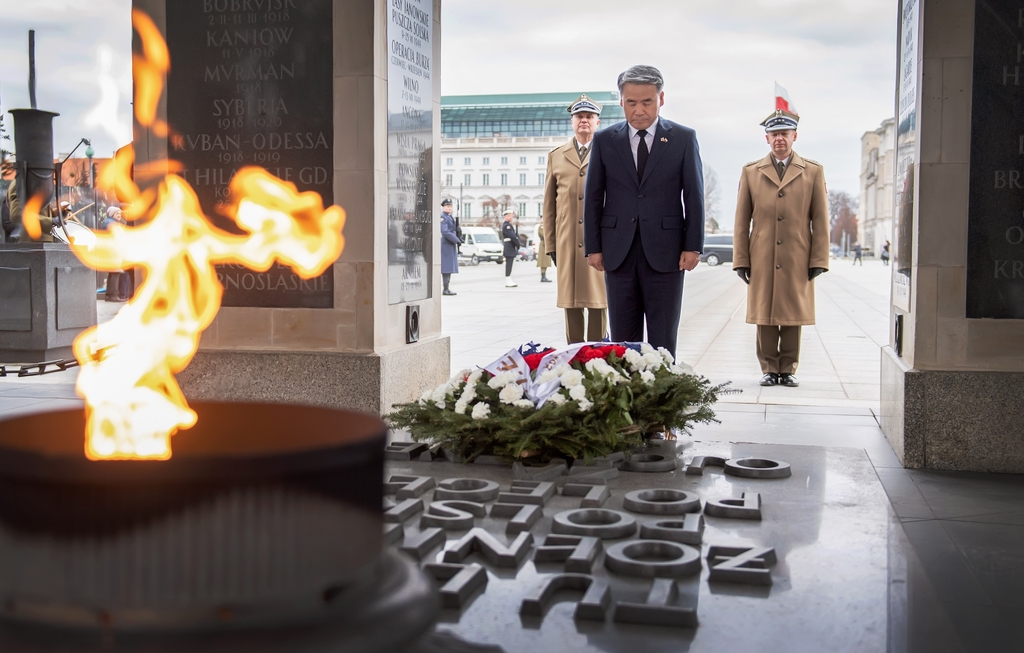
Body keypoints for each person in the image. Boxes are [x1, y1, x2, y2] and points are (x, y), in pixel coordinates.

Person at [583, 65, 705, 358]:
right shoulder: (605, 140)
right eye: (631, 102)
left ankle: (664, 398)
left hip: (667, 252)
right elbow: (593, 196)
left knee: (663, 334)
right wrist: (593, 247)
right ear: (621, 101)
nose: (639, 110)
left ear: (661, 99)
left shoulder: (682, 138)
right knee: (623, 337)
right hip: (618, 252)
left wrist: (693, 246)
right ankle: (629, 397)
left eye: (647, 102)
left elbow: (694, 195)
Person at [733, 109, 830, 388]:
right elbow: (741, 220)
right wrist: (741, 259)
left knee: (791, 312)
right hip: (761, 253)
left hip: (797, 254)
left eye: (784, 134)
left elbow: (821, 219)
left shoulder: (812, 171)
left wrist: (819, 259)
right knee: (764, 312)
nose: (779, 139)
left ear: (794, 136)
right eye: (774, 134)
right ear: (767, 138)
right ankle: (767, 367)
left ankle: (787, 368)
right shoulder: (751, 172)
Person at [543, 94, 608, 343]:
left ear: (597, 122)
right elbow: (549, 206)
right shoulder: (557, 156)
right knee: (571, 304)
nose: (584, 120)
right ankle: (574, 358)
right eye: (579, 116)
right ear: (572, 122)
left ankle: (597, 360)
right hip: (567, 243)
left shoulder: (609, 153)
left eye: (589, 117)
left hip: (599, 244)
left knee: (599, 303)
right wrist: (551, 246)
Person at [102, 206, 129, 302]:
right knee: (115, 272)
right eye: (117, 213)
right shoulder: (111, 223)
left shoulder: (109, 222)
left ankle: (110, 295)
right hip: (113, 251)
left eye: (120, 214)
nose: (119, 215)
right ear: (112, 214)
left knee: (113, 273)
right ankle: (113, 295)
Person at [439, 199, 460, 296]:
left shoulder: (450, 217)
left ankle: (447, 288)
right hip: (446, 244)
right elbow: (445, 231)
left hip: (450, 244)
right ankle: (445, 289)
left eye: (450, 206)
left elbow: (453, 230)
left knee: (450, 267)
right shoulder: (443, 217)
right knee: (446, 267)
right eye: (447, 206)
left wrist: (459, 233)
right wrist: (456, 239)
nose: (449, 208)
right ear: (443, 207)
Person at [501, 209, 522, 288]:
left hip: (510, 246)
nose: (511, 217)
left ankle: (509, 279)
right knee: (509, 264)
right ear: (505, 217)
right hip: (509, 247)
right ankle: (508, 280)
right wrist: (518, 244)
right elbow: (513, 237)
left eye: (511, 215)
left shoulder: (508, 225)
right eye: (509, 216)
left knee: (510, 264)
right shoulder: (507, 226)